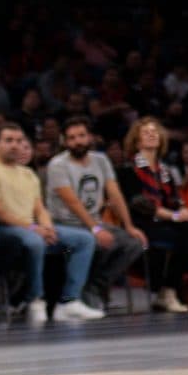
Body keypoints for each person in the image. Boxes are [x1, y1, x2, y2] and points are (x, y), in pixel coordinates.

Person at [0, 123, 98, 323]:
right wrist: (35, 228)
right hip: (0, 228)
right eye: (9, 141)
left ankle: (69, 301)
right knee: (35, 241)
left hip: (31, 227)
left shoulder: (28, 174)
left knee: (84, 239)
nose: (15, 146)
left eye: (19, 141)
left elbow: (40, 208)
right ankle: (34, 299)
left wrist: (47, 227)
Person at [45, 116, 147, 316]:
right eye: (72, 138)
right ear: (65, 142)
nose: (78, 141)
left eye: (82, 136)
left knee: (133, 243)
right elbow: (72, 202)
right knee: (97, 242)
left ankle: (95, 286)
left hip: (93, 223)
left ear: (90, 137)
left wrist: (129, 226)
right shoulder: (58, 164)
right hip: (65, 223)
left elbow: (114, 193)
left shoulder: (101, 160)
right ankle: (81, 293)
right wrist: (96, 228)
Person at [123, 118, 188, 311]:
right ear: (136, 141)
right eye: (146, 132)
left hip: (164, 222)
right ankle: (169, 290)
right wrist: (175, 216)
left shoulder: (165, 171)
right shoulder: (128, 169)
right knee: (183, 236)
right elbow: (139, 204)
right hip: (141, 224)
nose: (152, 134)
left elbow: (174, 201)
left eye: (155, 132)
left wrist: (183, 211)